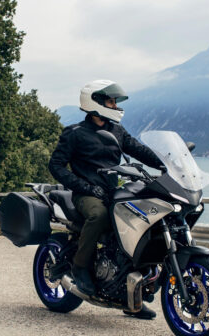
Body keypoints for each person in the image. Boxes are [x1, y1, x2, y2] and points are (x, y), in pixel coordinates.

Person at [48, 79, 165, 320]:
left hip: (112, 191)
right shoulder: (75, 133)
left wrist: (164, 163)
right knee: (99, 215)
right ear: (96, 102)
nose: (115, 106)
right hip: (86, 193)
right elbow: (56, 165)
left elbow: (138, 149)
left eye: (114, 101)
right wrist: (85, 186)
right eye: (111, 101)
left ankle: (131, 295)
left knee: (138, 222)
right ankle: (80, 267)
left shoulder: (116, 130)